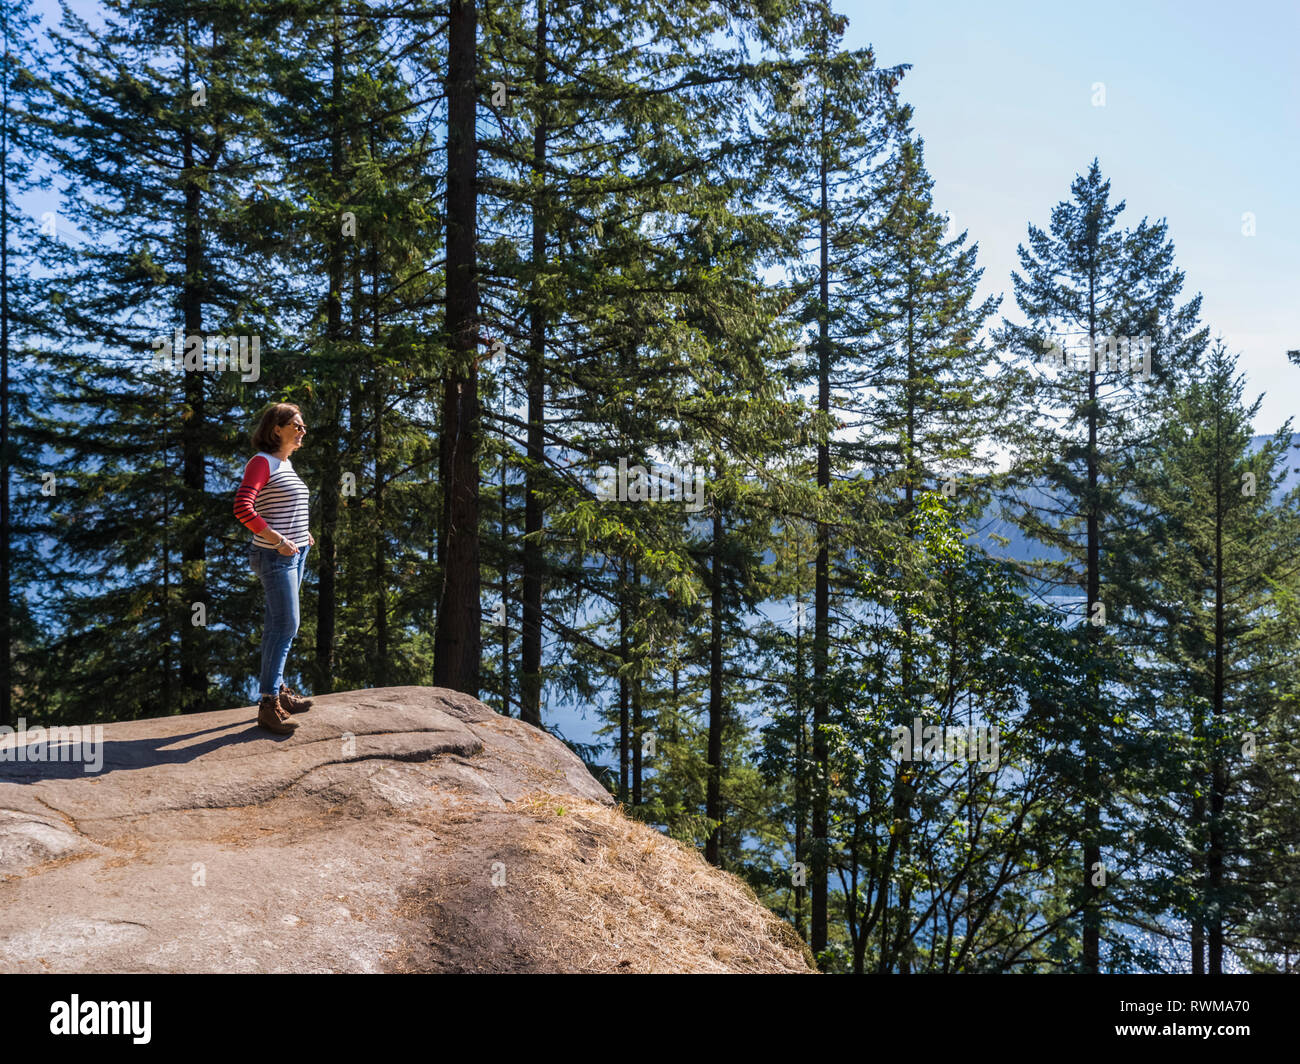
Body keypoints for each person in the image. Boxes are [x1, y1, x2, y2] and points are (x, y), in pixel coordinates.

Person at [233, 403, 316, 734]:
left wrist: (301, 533)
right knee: (287, 624)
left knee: (277, 625)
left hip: (295, 553)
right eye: (296, 425)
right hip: (274, 556)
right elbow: (243, 507)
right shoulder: (261, 462)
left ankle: (278, 690)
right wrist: (279, 539)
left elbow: (284, 505)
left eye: (303, 426)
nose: (302, 430)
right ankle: (268, 705)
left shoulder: (285, 463)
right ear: (276, 428)